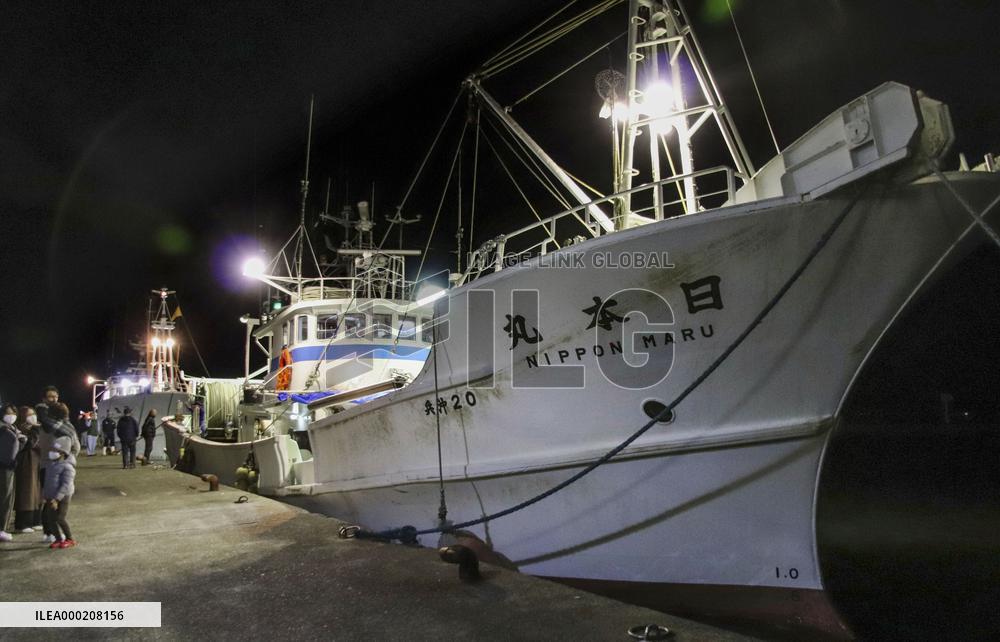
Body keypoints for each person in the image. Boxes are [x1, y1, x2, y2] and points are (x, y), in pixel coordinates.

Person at [41, 439, 76, 549]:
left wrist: (56, 499)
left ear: (63, 453)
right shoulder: (51, 464)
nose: (52, 452)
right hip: (50, 497)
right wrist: (45, 495)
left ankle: (70, 539)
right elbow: (48, 482)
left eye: (56, 450)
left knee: (60, 518)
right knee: (50, 518)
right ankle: (58, 539)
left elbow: (65, 485)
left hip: (63, 496)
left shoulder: (68, 467)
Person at [0, 405, 27, 542]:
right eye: (8, 413)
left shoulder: (12, 429)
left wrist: (21, 440)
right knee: (4, 497)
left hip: (9, 467)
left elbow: (16, 447)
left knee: (7, 497)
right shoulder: (4, 429)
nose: (11, 415)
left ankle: (2, 528)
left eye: (13, 413)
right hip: (4, 467)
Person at [14, 406, 42, 533]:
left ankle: (36, 519)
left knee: (37, 491)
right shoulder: (20, 429)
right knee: (27, 491)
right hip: (25, 462)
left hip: (37, 461)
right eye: (29, 415)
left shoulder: (36, 428)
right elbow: (30, 443)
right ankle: (23, 523)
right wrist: (35, 430)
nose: (32, 417)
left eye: (33, 414)